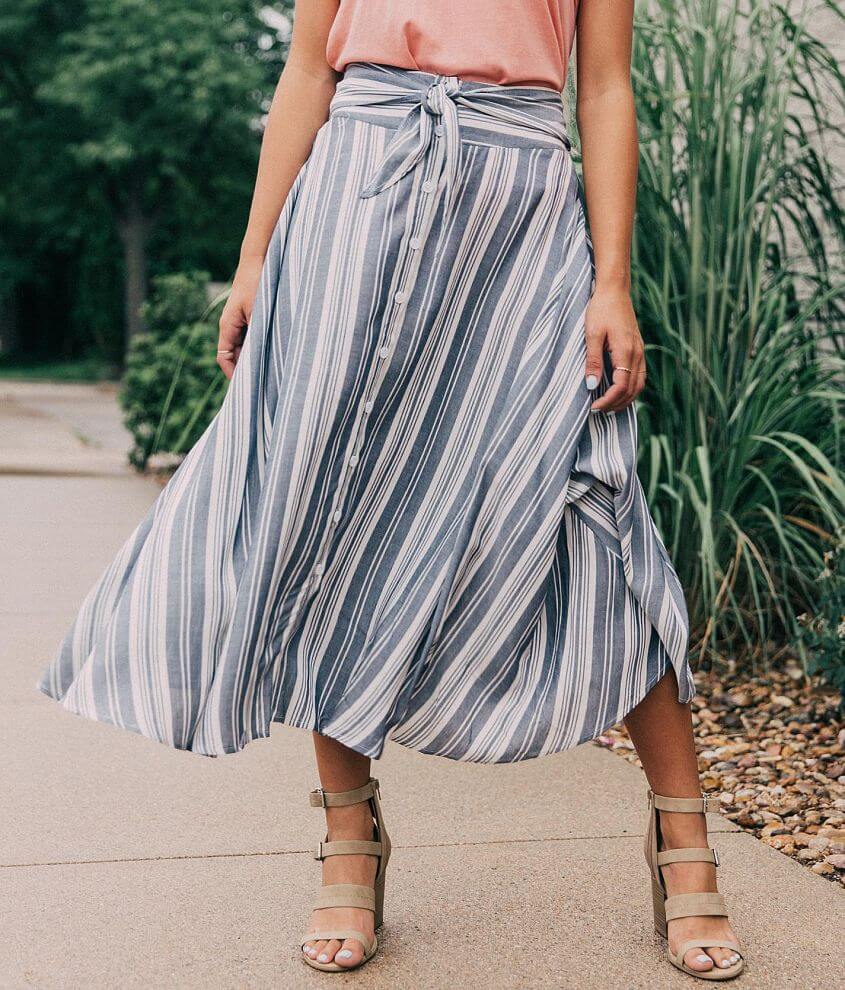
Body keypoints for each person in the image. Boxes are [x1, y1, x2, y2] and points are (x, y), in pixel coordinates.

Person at [40, 0, 744, 979]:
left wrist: (610, 281)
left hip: (521, 210)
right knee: (336, 510)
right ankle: (346, 836)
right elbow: (304, 74)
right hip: (354, 194)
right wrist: (252, 260)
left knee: (594, 505)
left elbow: (605, 84)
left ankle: (679, 840)